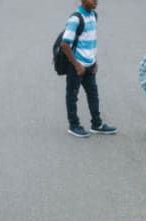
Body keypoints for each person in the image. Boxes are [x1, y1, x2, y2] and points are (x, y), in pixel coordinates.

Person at [60, 0, 117, 138]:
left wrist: (94, 60)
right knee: (72, 96)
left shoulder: (94, 15)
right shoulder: (75, 19)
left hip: (89, 64)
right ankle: (74, 125)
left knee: (93, 94)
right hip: (77, 66)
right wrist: (76, 65)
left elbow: (91, 40)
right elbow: (65, 44)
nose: (96, 1)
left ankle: (96, 124)